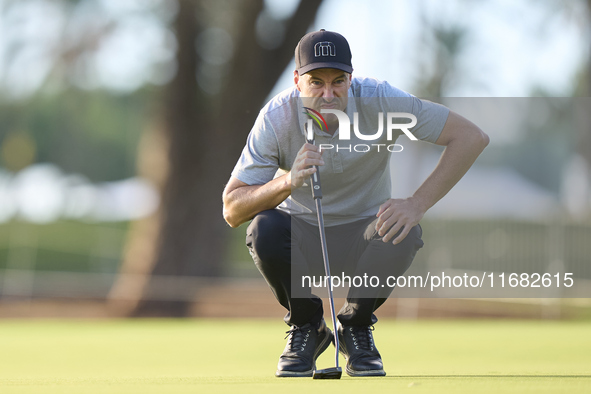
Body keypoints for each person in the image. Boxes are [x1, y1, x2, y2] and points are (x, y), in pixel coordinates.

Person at [222, 29, 489, 377]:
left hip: (364, 234)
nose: (328, 94)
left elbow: (471, 137)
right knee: (264, 228)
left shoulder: (381, 100)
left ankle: (355, 327)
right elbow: (232, 209)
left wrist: (416, 203)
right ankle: (308, 328)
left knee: (402, 229)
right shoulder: (275, 118)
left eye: (338, 82)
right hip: (302, 238)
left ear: (351, 78)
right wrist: (288, 180)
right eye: (316, 82)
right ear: (297, 80)